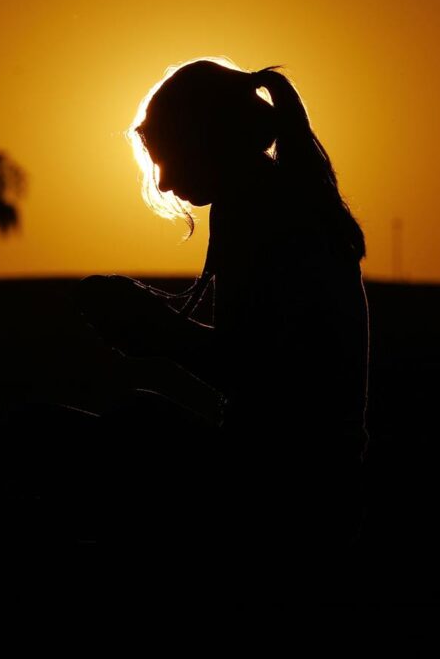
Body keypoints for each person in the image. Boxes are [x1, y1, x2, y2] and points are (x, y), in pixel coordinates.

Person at [79, 57, 370, 552]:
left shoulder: (261, 211)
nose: (165, 183)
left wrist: (159, 334)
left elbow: (264, 372)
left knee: (82, 434)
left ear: (207, 141)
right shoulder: (278, 199)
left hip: (290, 487)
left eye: (168, 157)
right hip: (323, 477)